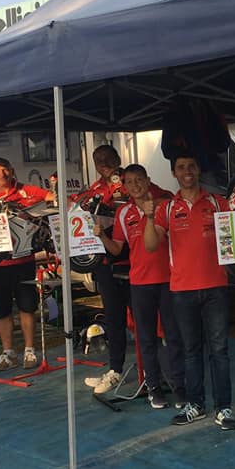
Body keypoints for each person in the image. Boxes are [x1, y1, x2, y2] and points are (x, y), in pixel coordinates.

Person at [143, 152, 235, 430]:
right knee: (191, 350)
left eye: (191, 166)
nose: (187, 171)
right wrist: (148, 216)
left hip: (216, 287)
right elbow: (150, 245)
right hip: (182, 290)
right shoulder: (167, 208)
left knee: (219, 350)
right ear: (174, 173)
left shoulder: (218, 203)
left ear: (198, 170)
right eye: (181, 167)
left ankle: (224, 407)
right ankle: (195, 404)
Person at [95, 163, 185, 409]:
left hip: (169, 281)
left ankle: (180, 387)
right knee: (146, 339)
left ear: (147, 180)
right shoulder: (123, 213)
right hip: (140, 283)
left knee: (173, 336)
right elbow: (117, 249)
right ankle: (154, 387)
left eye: (139, 180)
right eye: (129, 182)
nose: (135, 186)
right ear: (124, 187)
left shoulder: (164, 206)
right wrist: (101, 236)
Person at [0, 158, 54, 372]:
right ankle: (8, 353)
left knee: (27, 306)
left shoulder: (25, 190)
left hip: (22, 260)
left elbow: (51, 197)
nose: (1, 175)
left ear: (12, 171)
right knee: (1, 310)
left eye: (5, 170)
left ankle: (29, 350)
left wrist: (34, 216)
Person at [78, 145, 131, 394]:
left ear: (118, 158)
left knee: (146, 320)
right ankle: (115, 370)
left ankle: (154, 373)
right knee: (113, 319)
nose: (104, 163)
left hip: (132, 262)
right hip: (105, 263)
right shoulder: (95, 188)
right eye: (98, 160)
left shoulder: (130, 180)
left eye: (108, 158)